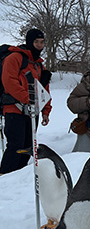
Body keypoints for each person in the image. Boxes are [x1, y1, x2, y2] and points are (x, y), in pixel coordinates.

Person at [0, 28, 52, 175]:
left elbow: (44, 90)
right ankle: (4, 176)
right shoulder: (15, 58)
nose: (39, 45)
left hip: (32, 112)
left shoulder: (39, 65)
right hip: (14, 109)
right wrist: (29, 99)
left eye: (42, 42)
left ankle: (18, 177)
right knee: (15, 145)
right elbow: (9, 82)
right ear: (29, 42)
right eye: (36, 42)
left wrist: (46, 110)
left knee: (28, 146)